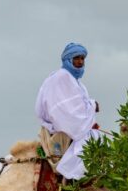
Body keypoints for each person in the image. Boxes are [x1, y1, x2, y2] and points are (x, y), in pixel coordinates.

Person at [35, 42, 100, 180]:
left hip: (74, 128)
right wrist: (93, 106)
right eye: (77, 58)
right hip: (64, 130)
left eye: (82, 58)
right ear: (68, 59)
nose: (80, 62)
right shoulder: (63, 77)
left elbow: (77, 107)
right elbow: (69, 113)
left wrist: (91, 105)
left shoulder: (76, 81)